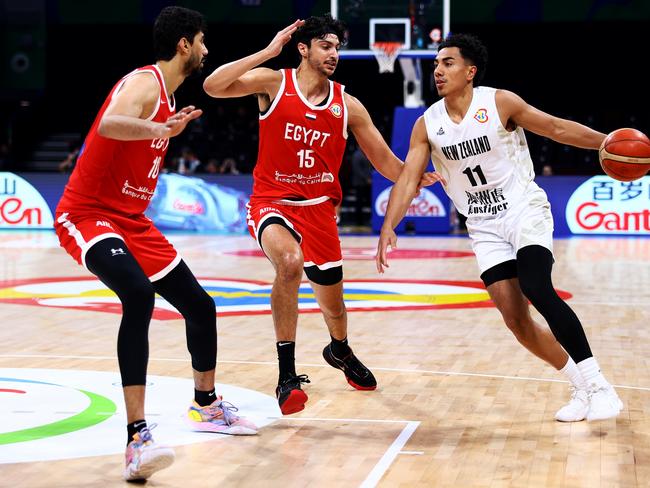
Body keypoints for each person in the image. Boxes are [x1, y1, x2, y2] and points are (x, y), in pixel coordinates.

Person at [54, 6, 257, 482]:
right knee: (139, 295)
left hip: (133, 221)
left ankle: (205, 405)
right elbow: (109, 124)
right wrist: (159, 129)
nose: (207, 49)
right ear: (184, 43)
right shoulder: (143, 83)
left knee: (200, 305)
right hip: (87, 215)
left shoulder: (167, 97)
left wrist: (168, 127)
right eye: (203, 40)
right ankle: (137, 438)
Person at [376, 33, 622, 423]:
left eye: (448, 63)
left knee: (537, 287)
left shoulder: (499, 102)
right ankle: (580, 386)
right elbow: (408, 178)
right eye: (436, 65)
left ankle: (601, 386)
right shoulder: (428, 125)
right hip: (483, 225)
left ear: (470, 71)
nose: (438, 70)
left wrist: (606, 143)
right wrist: (390, 224)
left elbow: (556, 127)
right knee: (516, 320)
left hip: (523, 210)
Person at [203, 15, 438, 415]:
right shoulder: (274, 83)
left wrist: (422, 176)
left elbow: (387, 164)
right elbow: (213, 86)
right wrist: (267, 51)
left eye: (337, 48)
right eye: (326, 46)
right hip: (272, 203)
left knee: (334, 306)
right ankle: (287, 376)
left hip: (320, 212)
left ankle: (340, 349)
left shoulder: (348, 105)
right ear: (303, 49)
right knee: (290, 264)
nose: (333, 54)